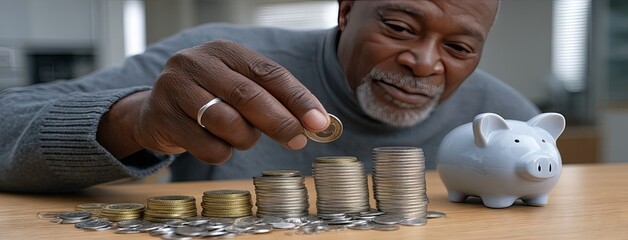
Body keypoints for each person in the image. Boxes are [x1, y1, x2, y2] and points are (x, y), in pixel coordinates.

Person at [0, 0, 538, 193]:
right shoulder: (216, 61)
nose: (424, 62)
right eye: (398, 27)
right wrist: (134, 121)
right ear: (347, 11)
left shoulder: (509, 120)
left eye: (460, 47)